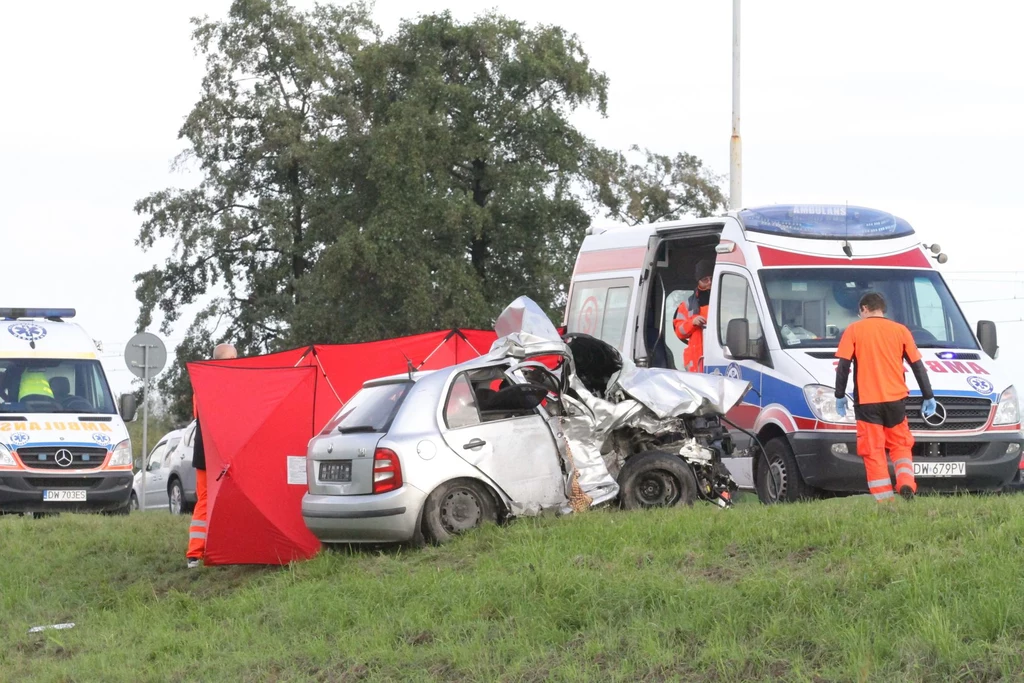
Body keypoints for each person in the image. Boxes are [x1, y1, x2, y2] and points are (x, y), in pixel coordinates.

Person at [834, 292, 936, 503]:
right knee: (900, 444)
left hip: (867, 402)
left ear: (864, 309)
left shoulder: (854, 330)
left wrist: (839, 395)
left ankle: (885, 501)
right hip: (896, 400)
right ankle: (906, 482)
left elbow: (843, 367)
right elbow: (918, 366)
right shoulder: (900, 330)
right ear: (883, 309)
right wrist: (928, 395)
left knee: (873, 450)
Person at [187, 342, 237, 568]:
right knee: (212, 499)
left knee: (210, 499)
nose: (237, 363)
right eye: (233, 358)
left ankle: (200, 552)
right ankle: (203, 552)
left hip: (208, 448)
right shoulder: (228, 382)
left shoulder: (201, 381)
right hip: (217, 447)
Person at [673, 258, 715, 372]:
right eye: (705, 279)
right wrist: (692, 322)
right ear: (698, 281)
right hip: (696, 364)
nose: (709, 282)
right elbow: (679, 331)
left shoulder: (725, 300)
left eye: (711, 278)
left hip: (718, 358)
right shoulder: (686, 305)